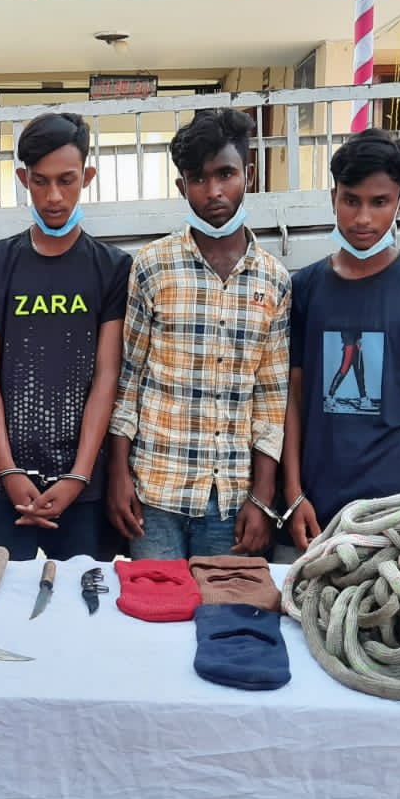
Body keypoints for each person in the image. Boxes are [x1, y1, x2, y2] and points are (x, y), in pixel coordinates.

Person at [107, 108, 291, 560]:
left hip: (232, 500)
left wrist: (263, 497)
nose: (213, 192)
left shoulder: (274, 280)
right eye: (198, 179)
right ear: (181, 186)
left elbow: (272, 397)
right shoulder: (152, 265)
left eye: (225, 174)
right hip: (155, 492)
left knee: (224, 605)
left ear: (248, 175)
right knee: (157, 602)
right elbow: (128, 380)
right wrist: (118, 475)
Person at [0, 112, 129, 558]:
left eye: (66, 180)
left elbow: (107, 375)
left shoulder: (112, 268)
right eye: (40, 181)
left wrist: (79, 475)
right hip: (6, 483)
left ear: (87, 177)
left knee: (81, 595)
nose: (54, 196)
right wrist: (7, 471)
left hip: (83, 485)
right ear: (23, 180)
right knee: (3, 591)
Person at [279, 129, 400, 556]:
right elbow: (292, 397)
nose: (363, 218)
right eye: (351, 200)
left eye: (379, 202)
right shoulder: (306, 287)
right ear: (333, 197)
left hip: (394, 504)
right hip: (317, 502)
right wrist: (294, 493)